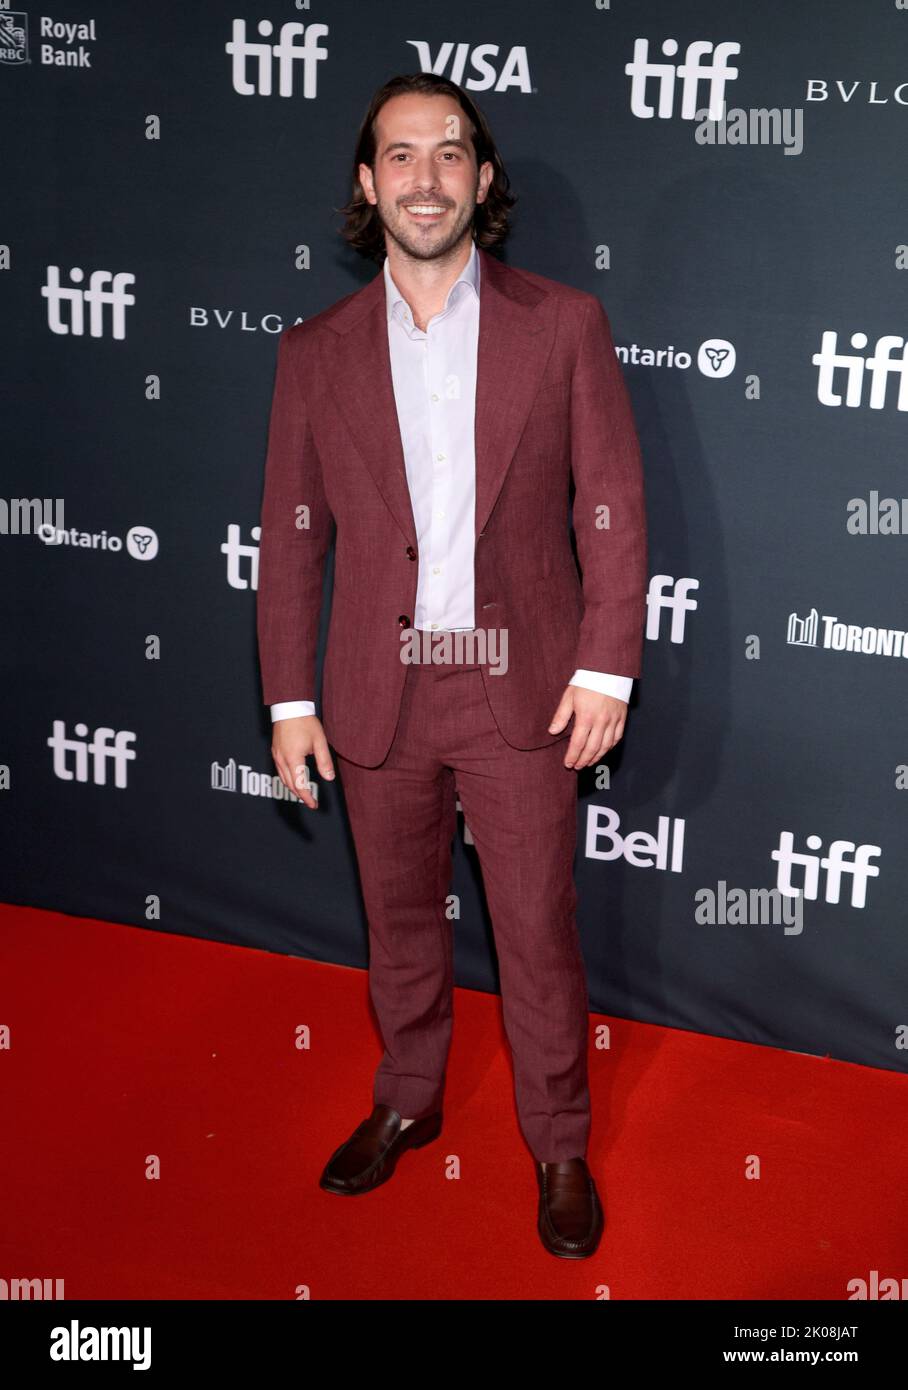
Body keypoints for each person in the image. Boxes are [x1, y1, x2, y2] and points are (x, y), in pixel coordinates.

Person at [256, 72, 647, 1259]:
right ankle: (407, 1098)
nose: (426, 177)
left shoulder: (562, 323)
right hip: (382, 687)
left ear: (480, 180)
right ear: (368, 187)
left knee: (534, 925)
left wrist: (606, 667)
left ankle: (559, 1141)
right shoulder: (312, 352)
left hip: (516, 678)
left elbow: (611, 505)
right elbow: (290, 536)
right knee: (396, 917)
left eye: (449, 153)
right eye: (400, 156)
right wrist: (287, 696)